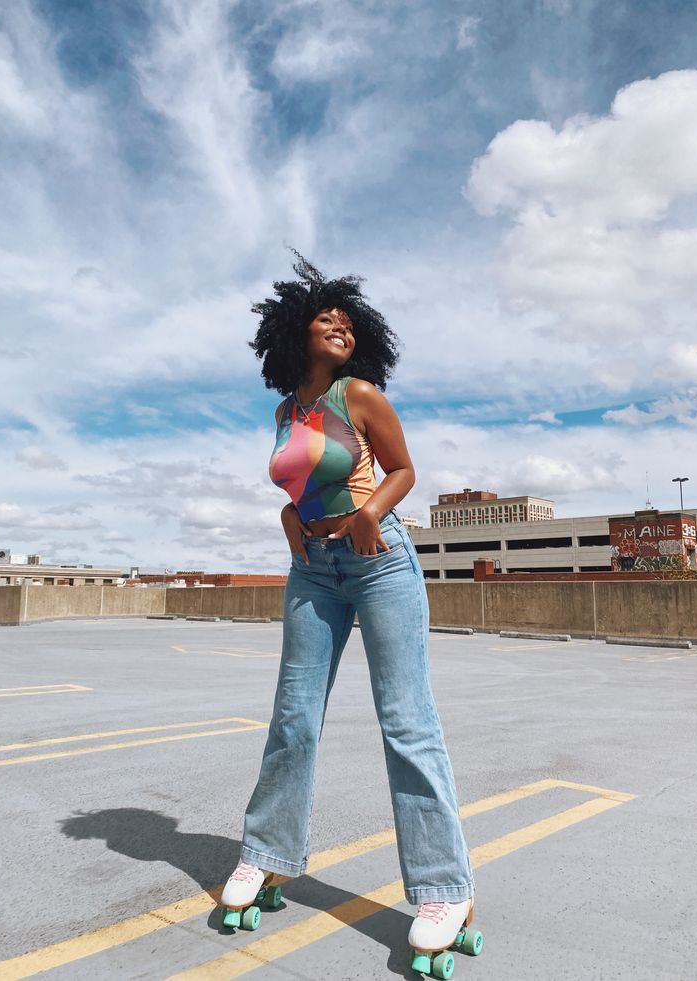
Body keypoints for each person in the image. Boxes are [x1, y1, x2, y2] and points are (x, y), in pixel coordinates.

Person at [220, 253, 476, 959]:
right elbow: (298, 483)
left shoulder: (359, 394)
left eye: (347, 320)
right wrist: (289, 519)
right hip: (313, 567)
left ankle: (442, 885)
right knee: (293, 717)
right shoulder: (285, 410)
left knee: (406, 719)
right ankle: (267, 851)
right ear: (291, 331)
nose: (338, 325)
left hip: (378, 559)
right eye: (324, 316)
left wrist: (369, 515)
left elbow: (402, 469)